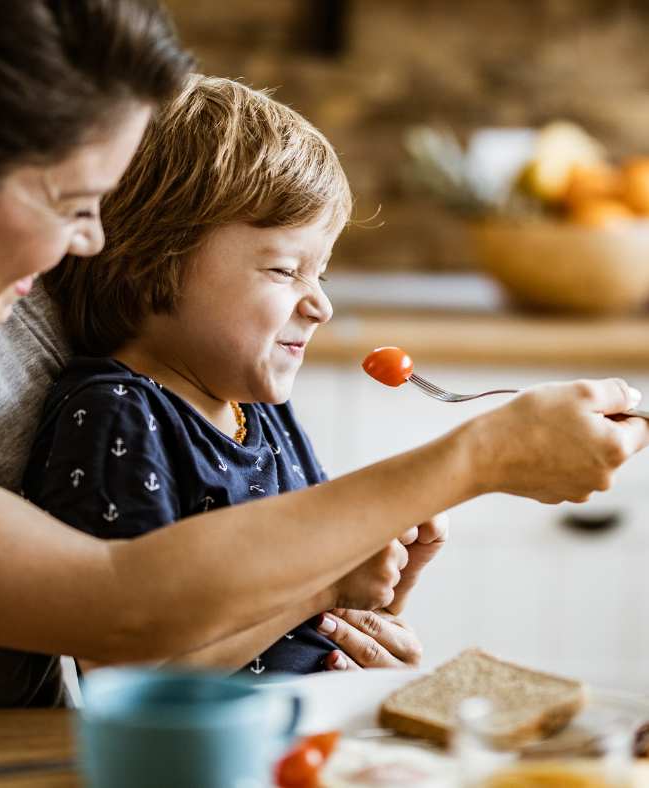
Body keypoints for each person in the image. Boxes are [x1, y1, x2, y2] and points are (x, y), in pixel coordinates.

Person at [0, 0, 646, 710]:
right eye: (77, 204)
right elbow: (118, 606)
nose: (91, 245)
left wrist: (332, 596)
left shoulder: (3, 291)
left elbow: (195, 565)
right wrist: (472, 458)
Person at [27, 74, 445, 677]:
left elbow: (321, 622)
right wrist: (322, 587)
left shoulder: (264, 412)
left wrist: (387, 578)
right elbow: (132, 672)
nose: (320, 305)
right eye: (284, 271)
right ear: (153, 263)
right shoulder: (117, 416)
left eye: (319, 275)